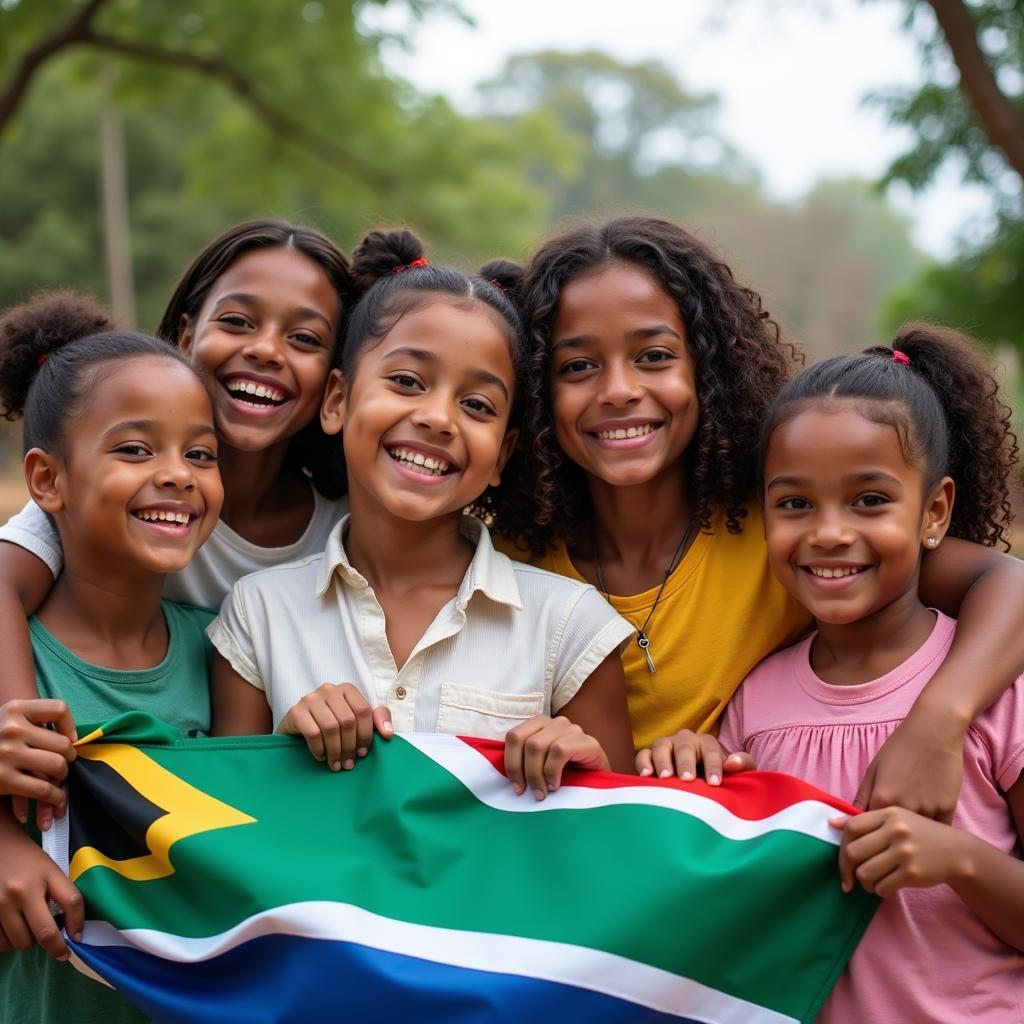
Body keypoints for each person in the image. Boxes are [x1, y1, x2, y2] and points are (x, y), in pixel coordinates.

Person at [494, 215, 1024, 820]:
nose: (618, 390)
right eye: (578, 366)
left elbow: (1006, 582)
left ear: (707, 369)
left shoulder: (786, 533)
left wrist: (940, 719)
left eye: (655, 356)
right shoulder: (513, 560)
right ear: (536, 391)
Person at [643, 326, 1024, 1021]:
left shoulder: (996, 688)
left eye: (869, 501)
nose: (827, 532)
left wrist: (961, 860)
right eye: (794, 504)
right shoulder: (755, 701)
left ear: (934, 512)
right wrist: (695, 766)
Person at [209, 228, 636, 797]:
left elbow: (624, 832)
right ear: (337, 401)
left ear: (502, 456)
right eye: (407, 381)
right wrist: (280, 754)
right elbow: (221, 820)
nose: (438, 418)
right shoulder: (257, 613)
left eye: (476, 405)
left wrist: (583, 765)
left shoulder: (570, 626)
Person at [0, 220, 353, 827]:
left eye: (303, 337)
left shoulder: (342, 535)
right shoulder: (87, 494)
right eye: (238, 321)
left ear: (335, 382)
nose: (266, 349)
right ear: (188, 333)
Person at [0, 293, 225, 1022]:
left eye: (200, 453)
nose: (178, 473)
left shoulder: (227, 649)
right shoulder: (14, 662)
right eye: (135, 449)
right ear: (47, 481)